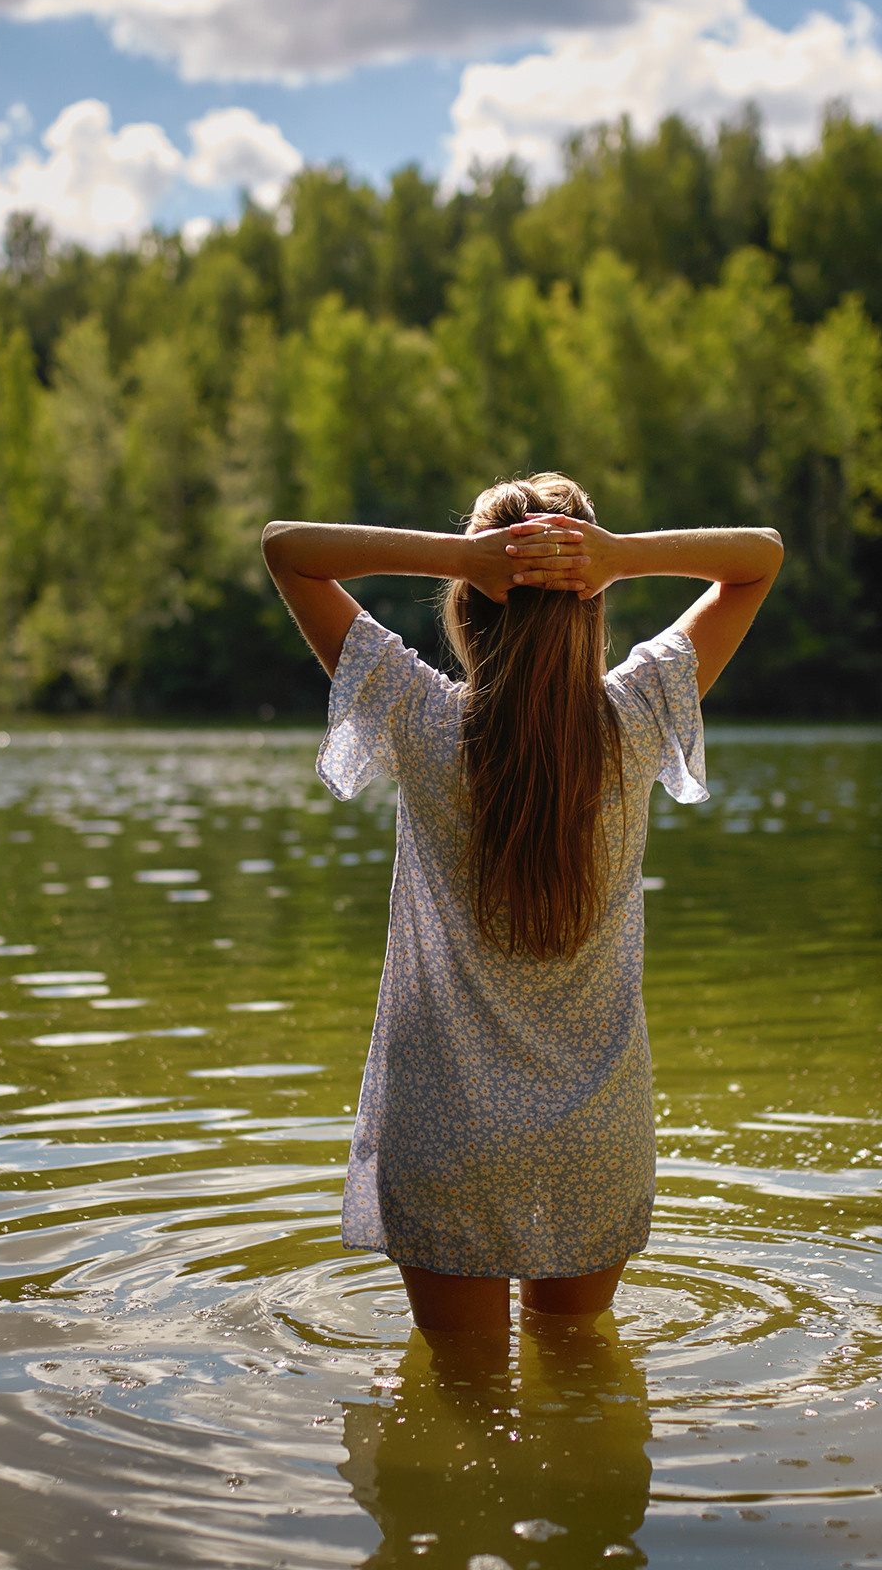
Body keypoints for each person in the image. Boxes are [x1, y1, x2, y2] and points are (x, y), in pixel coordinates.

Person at [261, 474, 782, 1334]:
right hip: (595, 1132)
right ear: (592, 609)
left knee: (461, 1401)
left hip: (446, 1131)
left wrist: (462, 557)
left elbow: (288, 549)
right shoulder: (640, 714)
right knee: (582, 1381)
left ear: (470, 606)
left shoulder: (418, 717)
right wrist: (616, 557)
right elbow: (759, 558)